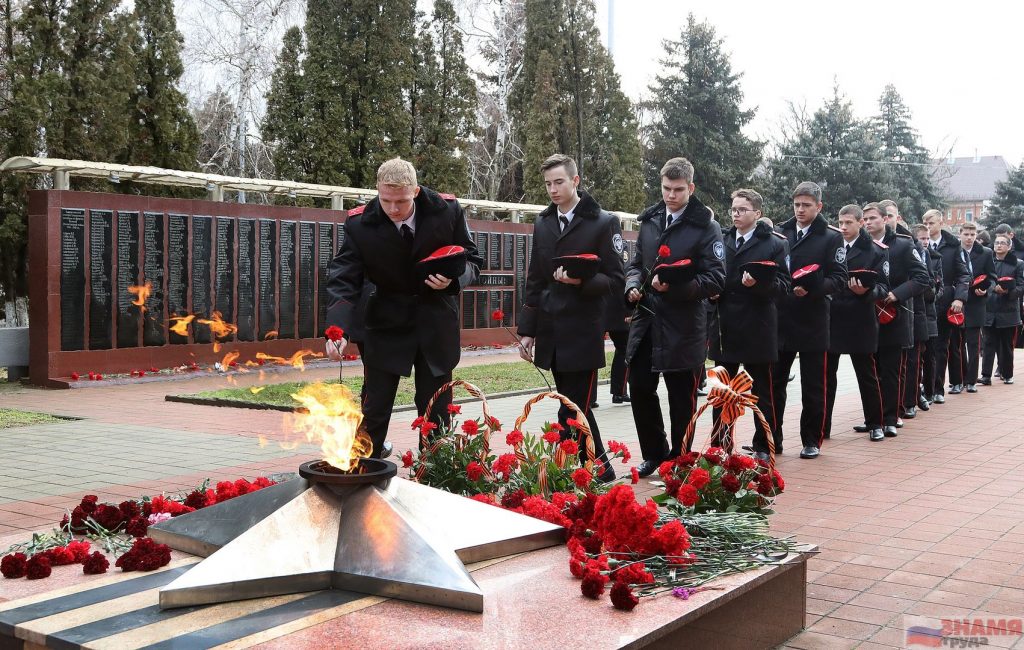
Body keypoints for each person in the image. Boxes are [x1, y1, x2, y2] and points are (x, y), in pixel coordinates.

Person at [325, 158, 482, 458]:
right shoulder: (360, 224)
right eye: (386, 201)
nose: (393, 209)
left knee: (436, 411)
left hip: (435, 321)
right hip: (386, 322)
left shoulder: (446, 211)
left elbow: (473, 260)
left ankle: (433, 473)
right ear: (377, 191)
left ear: (416, 191)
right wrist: (337, 330)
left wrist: (453, 281)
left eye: (402, 201)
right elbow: (343, 278)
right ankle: (364, 472)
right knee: (375, 408)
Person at [518, 154, 624, 480]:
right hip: (551, 329)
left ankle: (574, 470)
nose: (553, 189)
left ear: (575, 181)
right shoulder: (543, 223)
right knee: (572, 405)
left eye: (559, 182)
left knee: (573, 407)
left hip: (583, 330)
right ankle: (597, 468)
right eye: (548, 184)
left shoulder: (603, 222)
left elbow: (616, 279)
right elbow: (535, 278)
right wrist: (527, 331)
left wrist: (581, 281)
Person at [625, 157, 725, 477]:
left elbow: (716, 279)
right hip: (647, 320)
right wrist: (632, 286)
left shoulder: (705, 226)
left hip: (684, 325)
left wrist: (676, 287)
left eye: (678, 190)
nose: (671, 195)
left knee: (682, 399)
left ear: (691, 188)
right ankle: (654, 453)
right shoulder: (651, 220)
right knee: (640, 388)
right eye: (666, 188)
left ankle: (679, 461)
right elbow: (636, 263)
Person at [708, 189, 791, 460]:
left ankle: (764, 446)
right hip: (725, 326)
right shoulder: (721, 239)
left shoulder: (774, 243)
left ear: (757, 213)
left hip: (758, 325)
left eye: (742, 210)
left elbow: (784, 286)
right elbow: (711, 275)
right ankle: (720, 446)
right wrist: (711, 293)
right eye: (733, 209)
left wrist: (759, 284)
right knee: (722, 392)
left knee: (762, 392)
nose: (736, 214)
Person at [772, 181, 847, 460]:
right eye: (796, 205)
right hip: (782, 317)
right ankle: (772, 439)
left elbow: (839, 278)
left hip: (813, 318)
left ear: (819, 206)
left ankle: (812, 439)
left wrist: (813, 288)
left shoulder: (831, 237)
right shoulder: (781, 232)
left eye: (806, 205)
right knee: (775, 383)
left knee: (814, 384)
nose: (800, 210)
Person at [863, 203, 929, 437]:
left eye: (872, 218)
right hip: (866, 315)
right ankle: (873, 418)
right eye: (865, 219)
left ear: (884, 219)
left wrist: (896, 294)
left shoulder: (903, 244)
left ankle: (891, 418)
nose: (868, 223)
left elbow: (922, 278)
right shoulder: (861, 245)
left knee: (890, 370)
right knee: (871, 372)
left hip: (894, 314)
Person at [825, 205, 889, 442]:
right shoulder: (831, 245)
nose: (843, 227)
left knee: (867, 375)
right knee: (826, 377)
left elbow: (884, 287)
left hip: (860, 318)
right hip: (831, 317)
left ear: (861, 223)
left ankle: (876, 423)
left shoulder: (875, 250)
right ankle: (823, 426)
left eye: (848, 223)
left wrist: (867, 292)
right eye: (840, 222)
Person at [879, 200, 929, 421]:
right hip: (872, 313)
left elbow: (923, 278)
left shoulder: (907, 242)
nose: (886, 220)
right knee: (876, 370)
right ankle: (877, 415)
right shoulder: (866, 242)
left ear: (896, 218)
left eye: (890, 216)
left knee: (900, 366)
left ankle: (900, 408)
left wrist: (897, 294)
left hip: (902, 310)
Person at [922, 209, 970, 403]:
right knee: (925, 349)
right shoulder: (920, 244)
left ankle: (937, 389)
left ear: (941, 223)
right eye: (925, 223)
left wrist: (959, 298)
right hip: (925, 303)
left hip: (946, 303)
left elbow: (964, 274)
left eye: (931, 223)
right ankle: (924, 389)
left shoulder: (953, 246)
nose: (928, 226)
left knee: (941, 347)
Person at [980, 234, 1023, 384]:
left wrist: (1009, 291)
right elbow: (984, 280)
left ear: (1009, 246)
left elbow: (1021, 286)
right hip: (989, 308)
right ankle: (986, 375)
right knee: (988, 344)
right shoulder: (988, 261)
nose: (999, 245)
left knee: (1006, 345)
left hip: (1008, 310)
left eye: (1002, 243)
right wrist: (990, 288)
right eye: (997, 243)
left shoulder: (1018, 264)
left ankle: (1007, 374)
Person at [958, 221, 995, 393]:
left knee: (973, 344)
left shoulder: (985, 253)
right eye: (966, 234)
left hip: (976, 303)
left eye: (972, 235)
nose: (969, 238)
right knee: (957, 345)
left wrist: (986, 289)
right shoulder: (954, 251)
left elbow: (992, 277)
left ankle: (971, 380)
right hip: (957, 303)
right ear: (960, 234)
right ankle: (959, 379)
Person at [912, 223, 942, 410]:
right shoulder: (912, 255)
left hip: (929, 310)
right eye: (922, 238)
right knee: (916, 356)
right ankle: (916, 392)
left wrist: (932, 292)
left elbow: (938, 284)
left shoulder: (934, 257)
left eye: (927, 238)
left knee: (930, 354)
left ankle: (930, 391)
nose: (925, 242)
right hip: (915, 310)